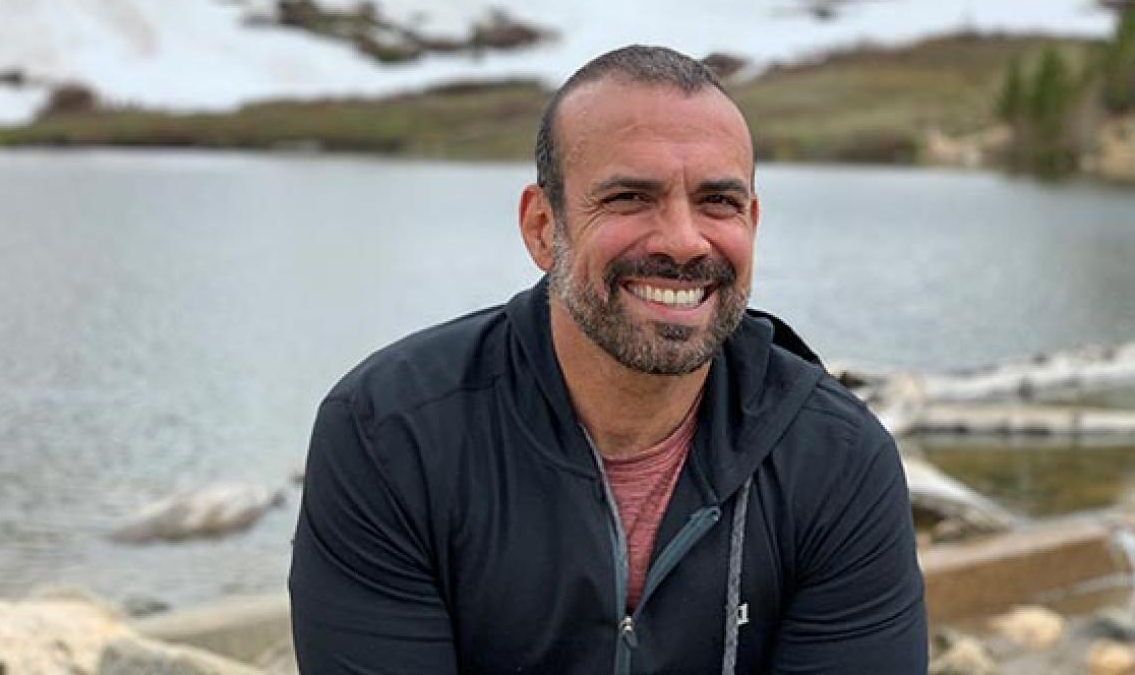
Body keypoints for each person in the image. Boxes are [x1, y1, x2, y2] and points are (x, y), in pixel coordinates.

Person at [289, 45, 927, 673]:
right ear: (543, 226)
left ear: (752, 223)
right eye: (629, 197)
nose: (683, 240)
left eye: (718, 202)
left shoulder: (837, 460)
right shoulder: (391, 434)